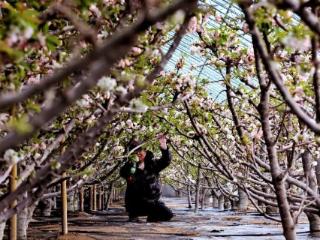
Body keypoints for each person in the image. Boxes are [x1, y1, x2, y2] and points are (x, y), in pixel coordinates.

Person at [120, 134, 174, 222]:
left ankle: (152, 217)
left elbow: (166, 161)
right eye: (135, 152)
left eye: (139, 150)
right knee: (134, 219)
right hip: (135, 203)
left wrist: (164, 147)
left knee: (168, 214)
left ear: (145, 150)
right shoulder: (130, 166)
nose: (138, 153)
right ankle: (134, 215)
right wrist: (130, 165)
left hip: (151, 201)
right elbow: (122, 173)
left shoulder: (153, 164)